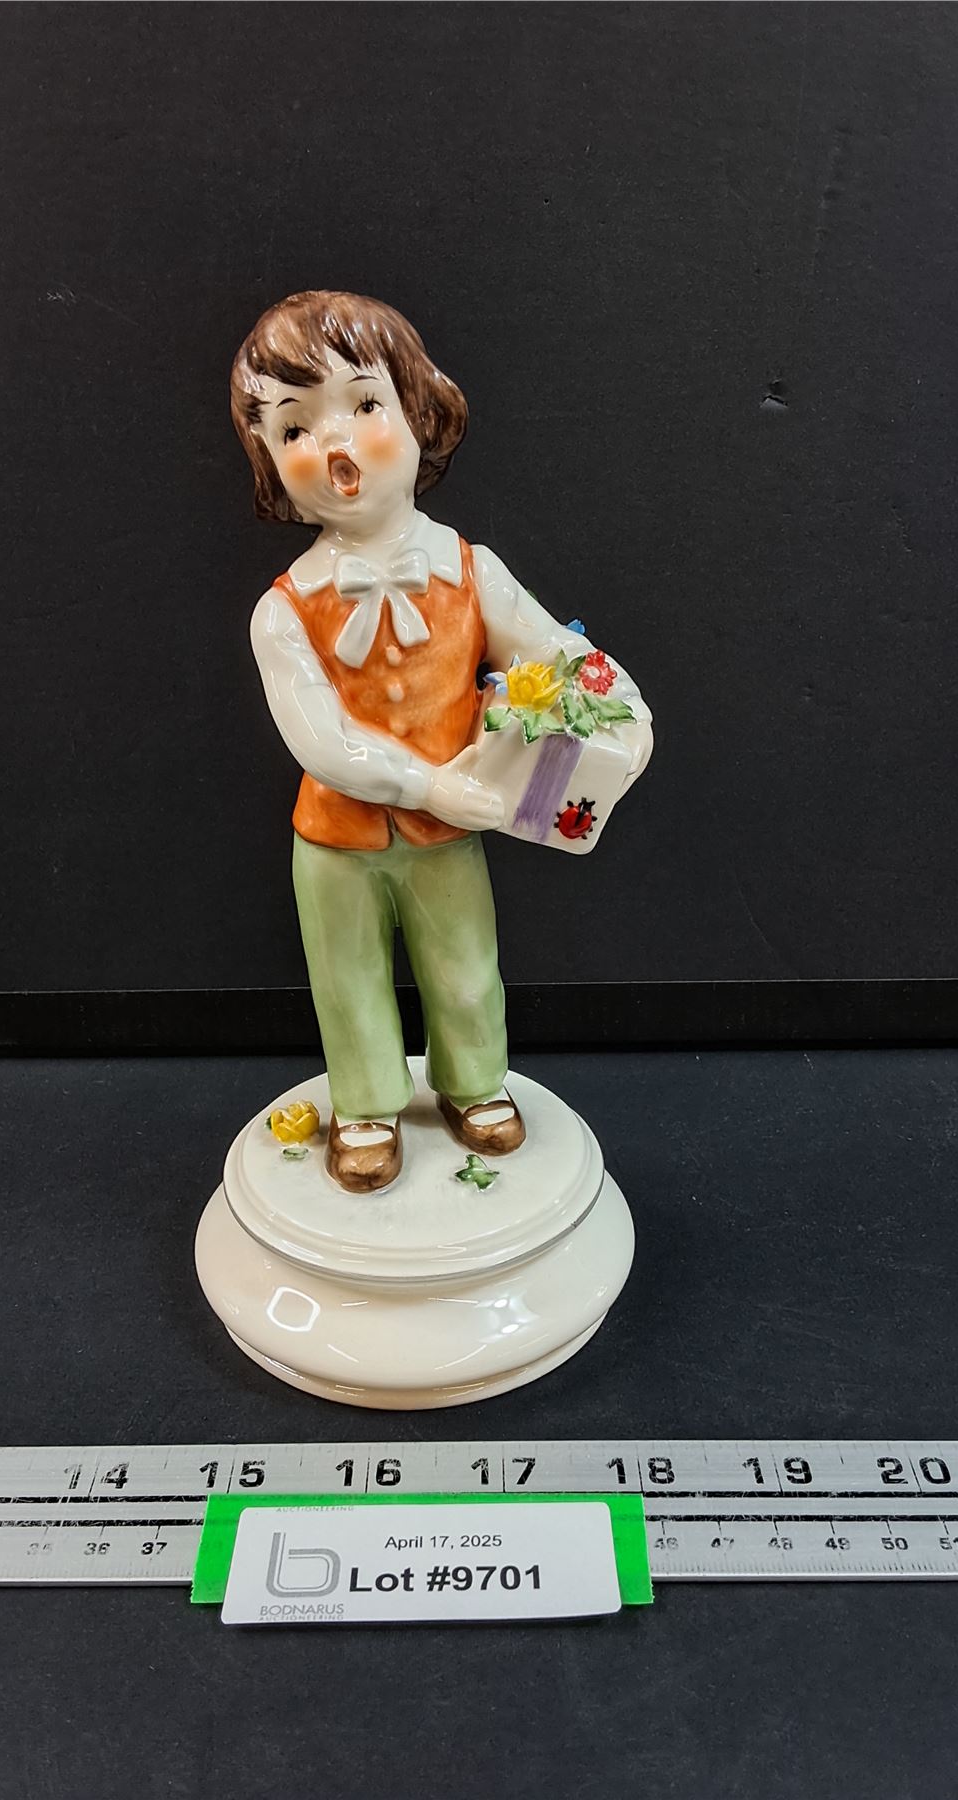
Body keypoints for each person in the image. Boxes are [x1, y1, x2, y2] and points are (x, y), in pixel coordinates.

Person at [229, 290, 644, 1192]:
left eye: (363, 405)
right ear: (266, 458)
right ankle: (367, 1105)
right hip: (337, 839)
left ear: (421, 413)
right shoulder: (282, 612)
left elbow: (550, 648)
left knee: (464, 969)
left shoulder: (470, 570)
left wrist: (615, 698)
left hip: (451, 832)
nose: (334, 445)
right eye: (294, 426)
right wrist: (428, 785)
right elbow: (322, 740)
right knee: (348, 980)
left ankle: (475, 1083)